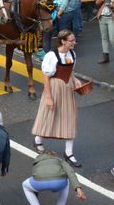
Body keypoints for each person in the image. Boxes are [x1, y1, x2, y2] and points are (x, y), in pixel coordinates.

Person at [32, 30, 83, 167]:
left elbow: (70, 71)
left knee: (70, 118)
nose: (74, 42)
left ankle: (69, 153)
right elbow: (46, 77)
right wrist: (48, 97)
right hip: (54, 88)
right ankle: (38, 139)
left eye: (74, 40)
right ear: (63, 41)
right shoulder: (51, 56)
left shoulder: (72, 54)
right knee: (49, 115)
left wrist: (75, 79)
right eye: (71, 40)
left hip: (68, 89)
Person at [23, 150, 87, 205]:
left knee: (25, 185)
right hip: (58, 183)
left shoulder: (37, 161)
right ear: (54, 156)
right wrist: (78, 188)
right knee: (66, 182)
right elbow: (70, 172)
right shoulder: (59, 160)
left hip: (39, 182)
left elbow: (35, 174)